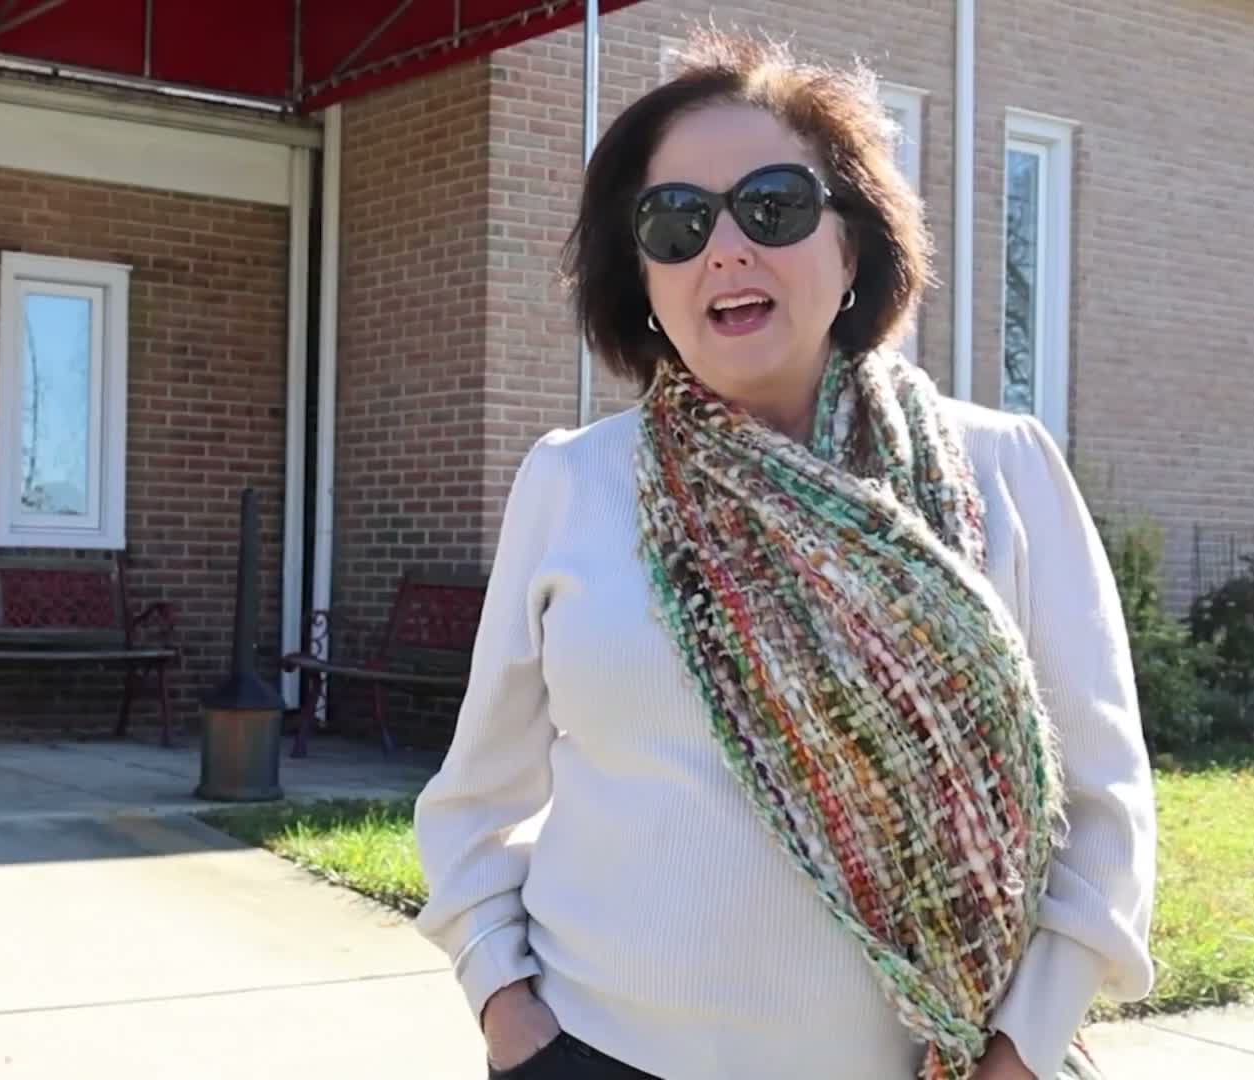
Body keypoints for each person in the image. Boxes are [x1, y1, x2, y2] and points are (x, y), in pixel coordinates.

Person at [411, 30, 1157, 1080]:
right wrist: (505, 1006)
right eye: (676, 221)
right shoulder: (573, 483)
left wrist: (1022, 1051)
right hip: (595, 1051)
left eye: (773, 206)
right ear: (643, 276)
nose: (724, 249)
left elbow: (1106, 809)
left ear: (852, 247)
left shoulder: (1005, 472)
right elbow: (475, 798)